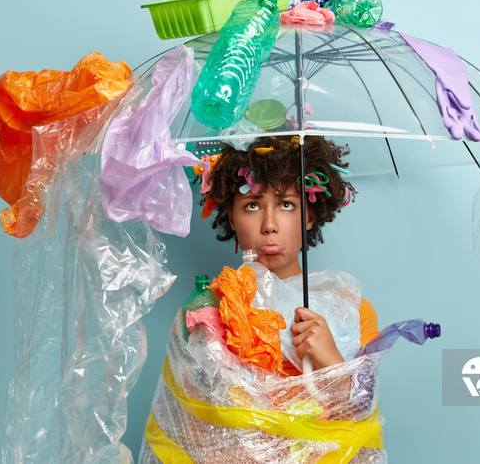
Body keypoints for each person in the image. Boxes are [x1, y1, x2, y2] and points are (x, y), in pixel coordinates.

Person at [139, 135, 385, 464]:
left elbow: (361, 422)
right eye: (252, 205)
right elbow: (187, 429)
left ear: (310, 216)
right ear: (231, 217)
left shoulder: (349, 310)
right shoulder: (206, 309)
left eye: (287, 205)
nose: (269, 225)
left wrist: (332, 361)